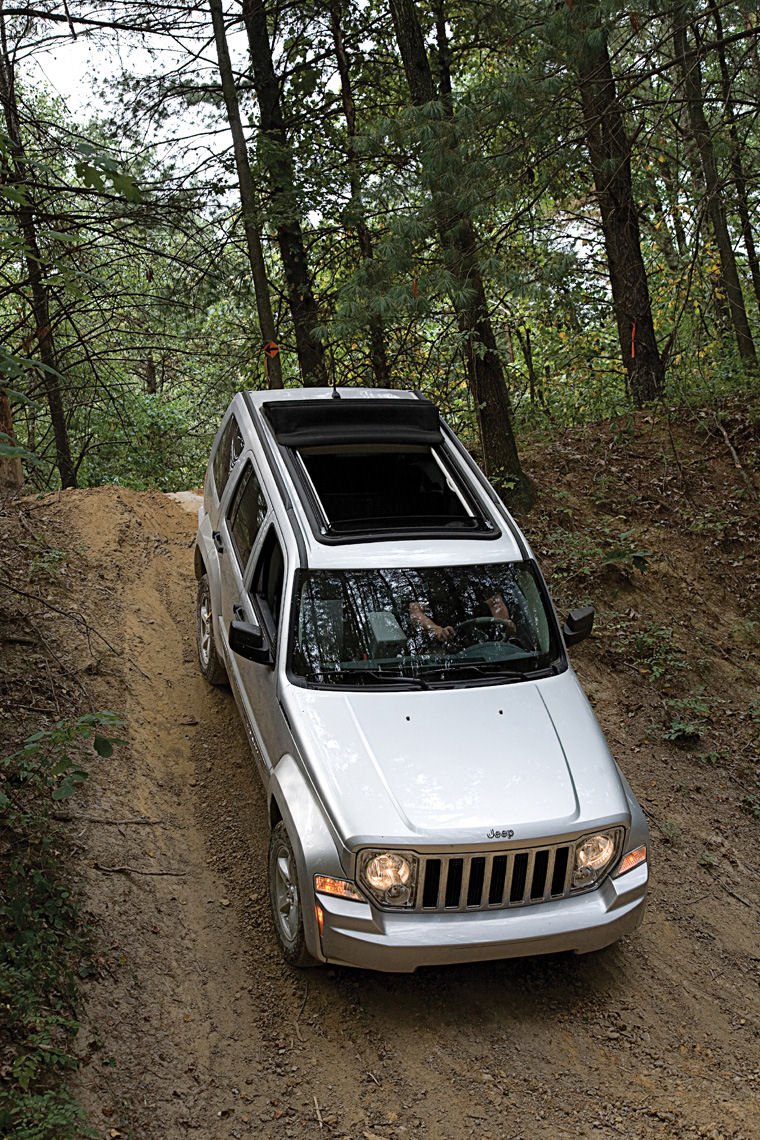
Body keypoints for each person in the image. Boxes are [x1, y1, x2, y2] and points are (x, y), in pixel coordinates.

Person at [409, 592, 516, 642]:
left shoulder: (477, 576)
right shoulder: (425, 590)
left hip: (488, 647)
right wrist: (438, 631)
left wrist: (505, 625)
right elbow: (416, 613)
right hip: (448, 654)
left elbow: (496, 602)